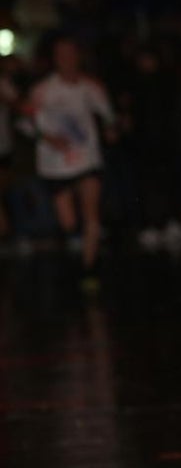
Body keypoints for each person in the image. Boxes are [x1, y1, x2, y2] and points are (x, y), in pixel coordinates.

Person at [26, 36, 117, 288]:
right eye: (61, 54)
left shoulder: (91, 88)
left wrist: (111, 129)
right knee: (68, 222)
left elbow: (108, 116)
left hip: (87, 159)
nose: (67, 59)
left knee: (91, 214)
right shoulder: (42, 90)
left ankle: (90, 269)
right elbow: (26, 124)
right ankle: (74, 258)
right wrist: (48, 138)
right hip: (56, 164)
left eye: (71, 53)